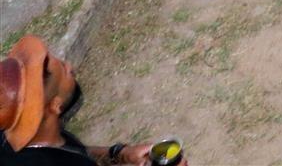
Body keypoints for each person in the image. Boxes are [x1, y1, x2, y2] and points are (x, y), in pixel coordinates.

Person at [0, 34, 176, 163]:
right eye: (64, 69)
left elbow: (72, 151)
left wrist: (119, 154)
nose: (70, 67)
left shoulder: (17, 134)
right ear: (54, 106)